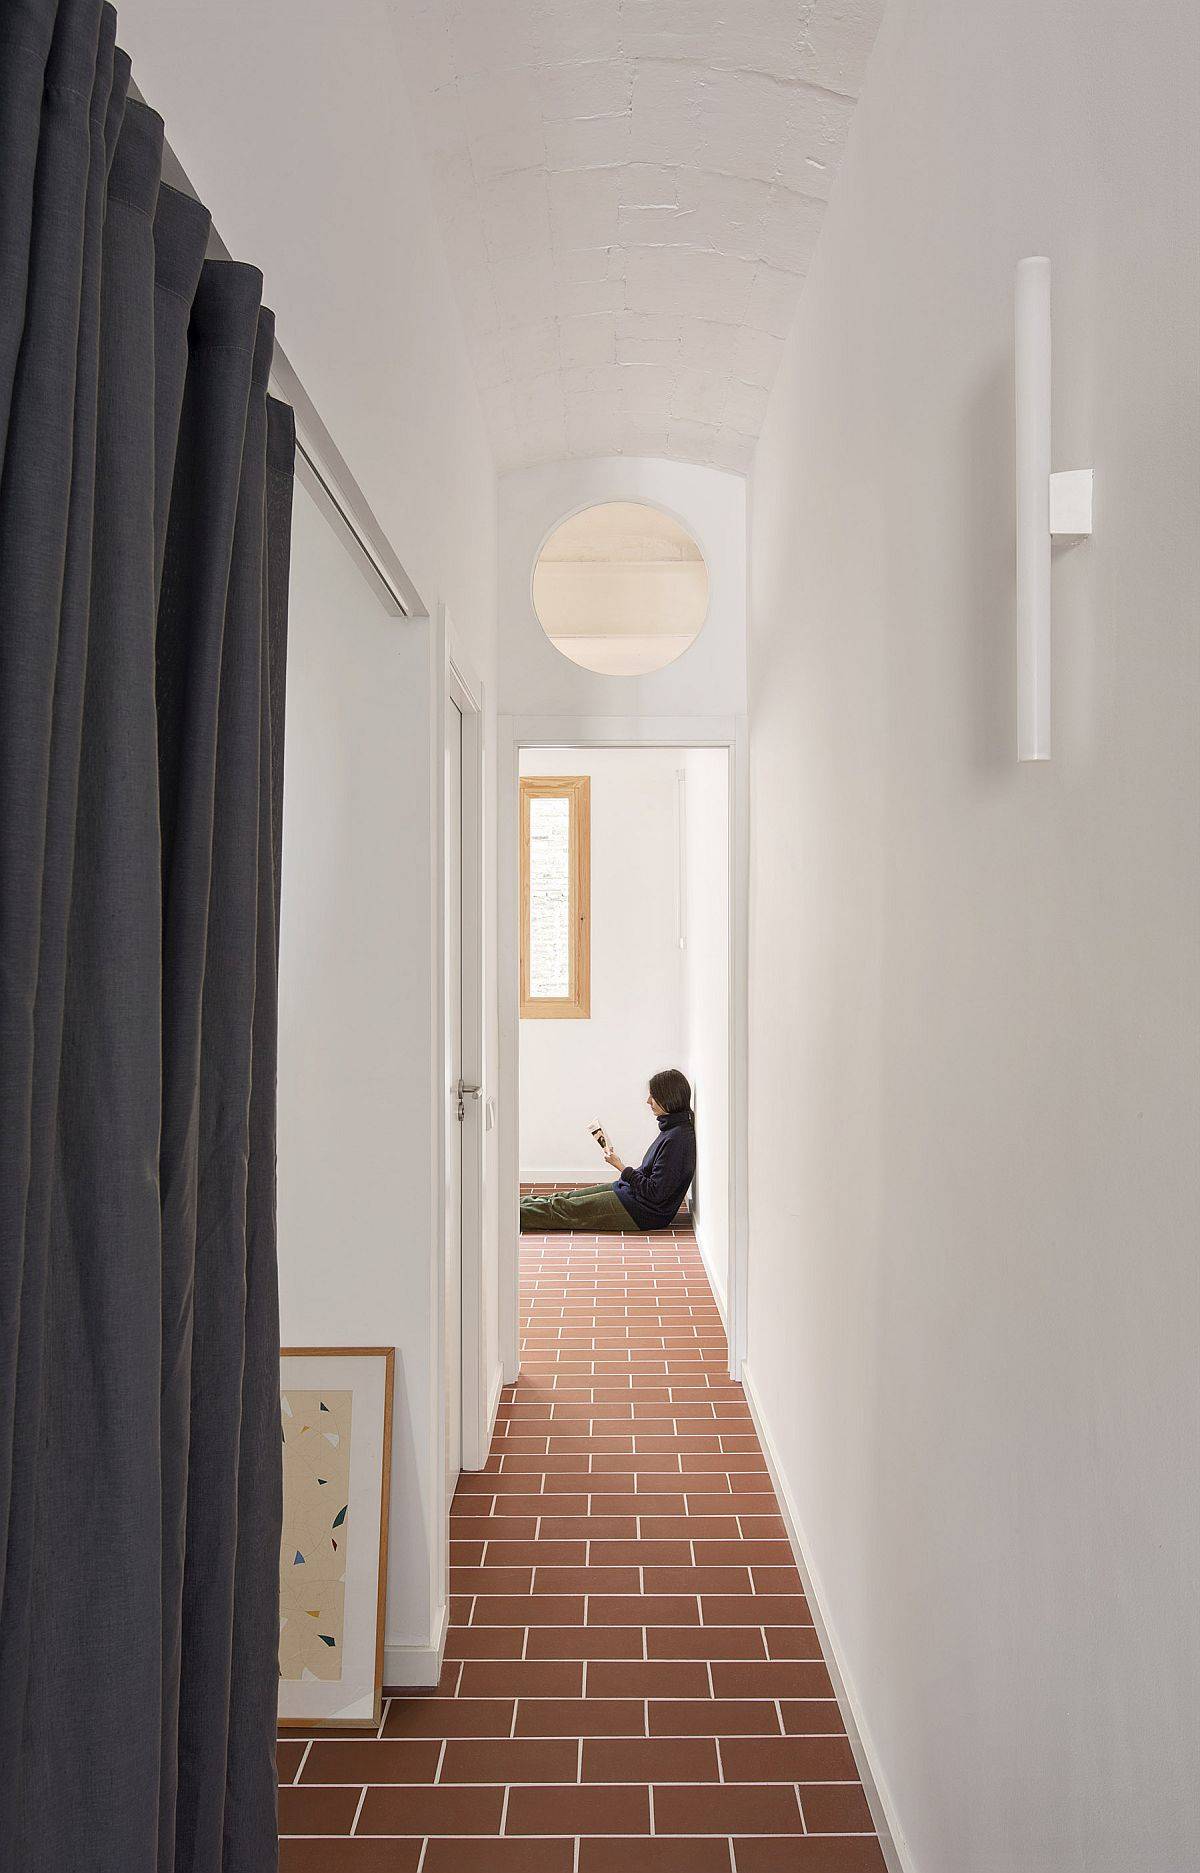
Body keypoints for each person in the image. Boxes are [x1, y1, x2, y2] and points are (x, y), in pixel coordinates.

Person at [520, 1069, 696, 1234]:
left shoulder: (677, 1139)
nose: (648, 1101)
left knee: (562, 1210)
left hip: (642, 1212)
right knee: (563, 1198)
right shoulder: (672, 1130)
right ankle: (510, 1204)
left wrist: (620, 1166)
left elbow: (655, 1193)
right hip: (631, 1195)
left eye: (654, 1096)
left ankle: (505, 1214)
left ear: (669, 1098)